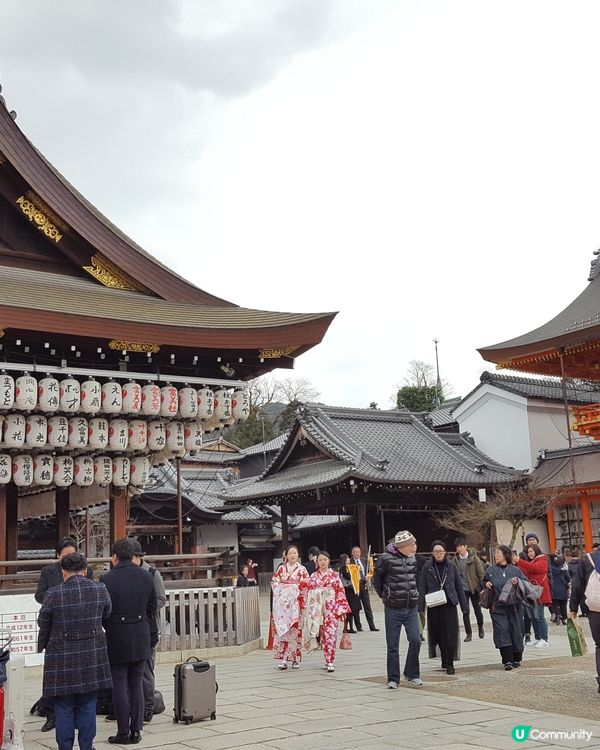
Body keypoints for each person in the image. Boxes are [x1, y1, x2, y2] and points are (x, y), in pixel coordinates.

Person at [37, 552, 112, 750]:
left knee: (63, 706)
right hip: (92, 654)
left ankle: (65, 747)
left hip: (61, 656)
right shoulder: (100, 589)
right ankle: (86, 746)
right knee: (88, 704)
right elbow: (108, 613)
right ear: (85, 570)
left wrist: (42, 645)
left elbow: (43, 622)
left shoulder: (54, 593)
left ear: (63, 572)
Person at [33, 537, 94, 733]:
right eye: (65, 555)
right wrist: (57, 598)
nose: (69, 558)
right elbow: (39, 594)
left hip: (80, 628)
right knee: (53, 677)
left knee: (81, 676)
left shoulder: (87, 570)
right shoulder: (48, 571)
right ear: (58, 555)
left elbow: (90, 593)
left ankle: (76, 715)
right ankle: (51, 714)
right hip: (56, 628)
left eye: (73, 554)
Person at [101, 538, 157, 745]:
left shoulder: (107, 579)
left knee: (119, 684)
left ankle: (123, 731)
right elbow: (152, 607)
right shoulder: (146, 576)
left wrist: (111, 624)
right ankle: (136, 730)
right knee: (137, 683)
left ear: (114, 557)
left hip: (117, 634)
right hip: (141, 633)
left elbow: (104, 612)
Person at [373, 530, 422, 689]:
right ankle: (393, 678)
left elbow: (415, 578)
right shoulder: (385, 558)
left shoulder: (413, 558)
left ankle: (411, 673)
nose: (414, 547)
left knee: (416, 640)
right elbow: (377, 579)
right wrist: (384, 596)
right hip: (393, 608)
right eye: (412, 544)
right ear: (403, 546)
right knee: (392, 645)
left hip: (411, 607)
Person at [419, 541, 468, 675]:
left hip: (449, 604)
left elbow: (459, 585)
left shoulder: (451, 566)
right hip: (434, 605)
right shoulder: (427, 567)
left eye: (441, 551)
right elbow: (422, 586)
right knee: (438, 633)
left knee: (450, 633)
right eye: (436, 551)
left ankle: (450, 662)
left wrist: (464, 606)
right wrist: (420, 607)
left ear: (445, 552)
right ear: (432, 554)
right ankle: (445, 659)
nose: (439, 553)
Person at [131, 540, 166, 725]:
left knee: (146, 669)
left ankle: (148, 707)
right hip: (129, 629)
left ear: (137, 557)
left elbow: (161, 599)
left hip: (148, 628)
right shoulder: (126, 573)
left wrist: (141, 608)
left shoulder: (152, 573)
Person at [483, 545, 527, 670]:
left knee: (516, 629)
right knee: (502, 630)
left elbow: (525, 582)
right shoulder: (490, 570)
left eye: (498, 553)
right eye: (495, 553)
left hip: (515, 606)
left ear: (505, 555)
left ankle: (516, 658)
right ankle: (507, 660)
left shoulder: (515, 570)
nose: (496, 555)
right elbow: (482, 583)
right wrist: (486, 583)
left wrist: (518, 582)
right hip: (497, 606)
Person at [307, 551, 350, 671]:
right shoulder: (313, 576)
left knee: (331, 634)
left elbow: (340, 592)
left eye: (325, 560)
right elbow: (309, 593)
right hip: (317, 609)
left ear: (329, 561)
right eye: (320, 560)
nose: (323, 562)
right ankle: (326, 656)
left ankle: (330, 660)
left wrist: (340, 609)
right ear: (317, 562)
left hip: (331, 608)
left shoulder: (334, 576)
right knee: (321, 634)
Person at [271, 545, 310, 670]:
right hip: (283, 606)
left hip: (296, 604)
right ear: (286, 555)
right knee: (283, 631)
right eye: (290, 553)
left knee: (296, 631)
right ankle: (284, 659)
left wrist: (294, 588)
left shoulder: (302, 569)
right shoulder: (281, 569)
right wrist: (285, 589)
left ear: (298, 555)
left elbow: (306, 584)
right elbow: (275, 582)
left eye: (295, 553)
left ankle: (295, 658)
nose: (292, 555)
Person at [570, 545, 600, 693]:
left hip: (595, 608)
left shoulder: (587, 559)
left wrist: (573, 608)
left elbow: (577, 585)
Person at [515, 544, 552, 648]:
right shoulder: (533, 561)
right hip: (532, 593)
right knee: (533, 617)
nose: (529, 554)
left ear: (536, 551)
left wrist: (520, 561)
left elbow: (535, 568)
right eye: (528, 552)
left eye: (531, 551)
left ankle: (544, 639)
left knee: (539, 616)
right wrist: (517, 564)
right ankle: (538, 638)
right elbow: (525, 570)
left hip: (540, 593)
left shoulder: (543, 559)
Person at [453, 536, 485, 642]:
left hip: (474, 588)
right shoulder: (455, 561)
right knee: (465, 611)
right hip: (462, 590)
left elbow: (481, 574)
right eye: (457, 547)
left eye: (460, 546)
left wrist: (481, 587)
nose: (459, 549)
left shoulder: (474, 558)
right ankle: (469, 633)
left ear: (465, 546)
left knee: (477, 610)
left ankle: (480, 626)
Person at [350, 546, 379, 631]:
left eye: (358, 552)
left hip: (364, 585)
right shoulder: (350, 562)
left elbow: (370, 571)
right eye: (355, 552)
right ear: (352, 553)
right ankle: (358, 626)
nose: (357, 553)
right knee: (356, 607)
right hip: (355, 586)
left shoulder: (363, 560)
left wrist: (369, 576)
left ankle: (372, 626)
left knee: (367, 606)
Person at [338, 554, 362, 633]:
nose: (348, 560)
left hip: (351, 590)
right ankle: (347, 627)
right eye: (347, 559)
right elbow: (349, 576)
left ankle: (350, 627)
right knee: (350, 610)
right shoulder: (344, 568)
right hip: (348, 590)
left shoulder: (348, 567)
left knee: (351, 611)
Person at [549, 554, 571, 626]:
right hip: (563, 590)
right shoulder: (564, 570)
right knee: (563, 605)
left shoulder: (550, 569)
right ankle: (564, 619)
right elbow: (568, 579)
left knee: (554, 604)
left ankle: (558, 614)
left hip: (553, 590)